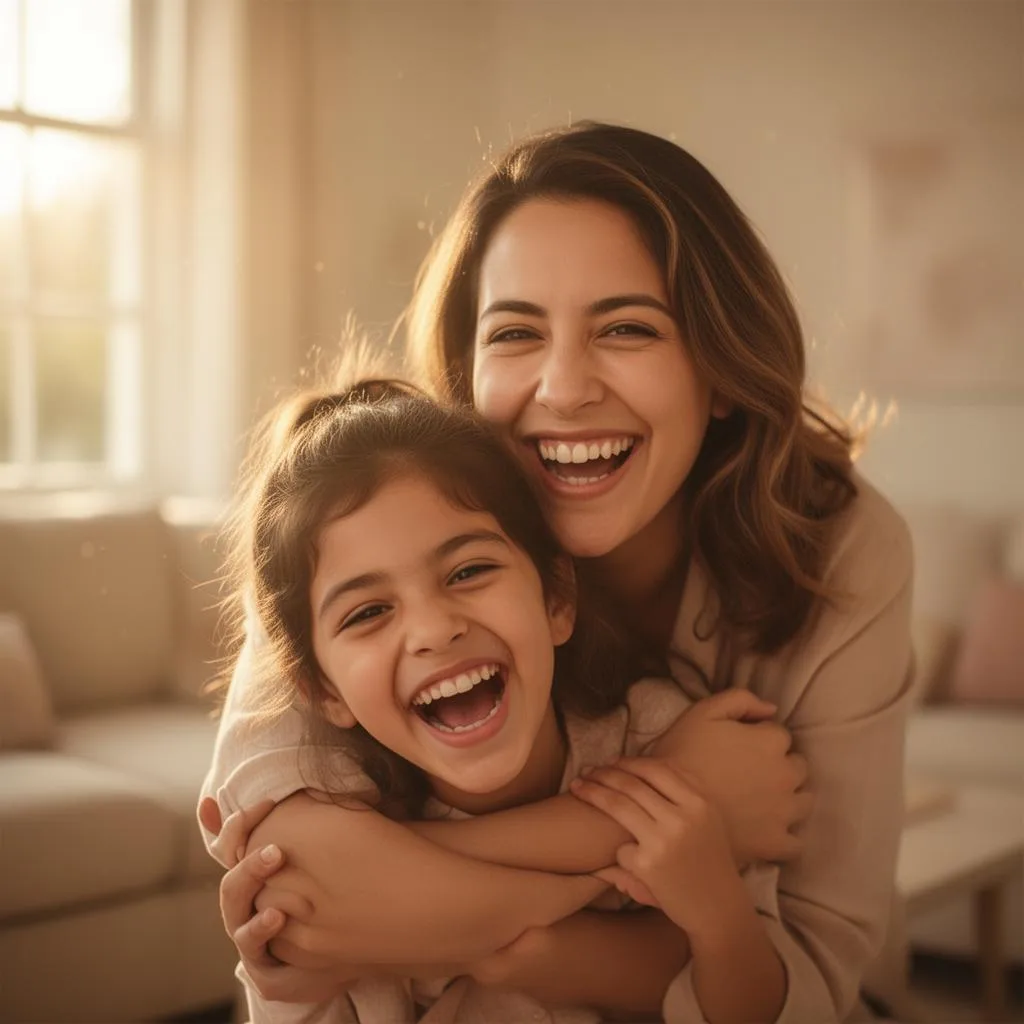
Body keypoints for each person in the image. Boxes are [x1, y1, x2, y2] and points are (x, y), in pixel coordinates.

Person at [201, 121, 913, 1022]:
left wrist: (465, 926)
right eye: (516, 334)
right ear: (464, 375)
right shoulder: (357, 522)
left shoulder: (842, 546)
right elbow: (293, 879)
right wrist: (644, 820)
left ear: (722, 366)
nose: (565, 388)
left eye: (626, 327)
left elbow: (803, 975)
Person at [223, 377, 788, 1023]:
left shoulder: (659, 740)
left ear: (556, 599)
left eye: (468, 572)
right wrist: (603, 863)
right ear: (324, 692)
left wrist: (717, 913)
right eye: (369, 612)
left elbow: (756, 1006)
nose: (435, 629)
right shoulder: (329, 821)